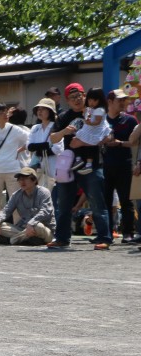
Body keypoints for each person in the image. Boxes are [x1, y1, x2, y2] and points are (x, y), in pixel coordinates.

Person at [48, 83, 112, 249]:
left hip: (92, 164)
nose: (76, 100)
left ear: (85, 96)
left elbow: (108, 135)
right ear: (67, 101)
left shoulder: (96, 112)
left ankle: (104, 238)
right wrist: (65, 132)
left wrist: (84, 142)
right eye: (72, 98)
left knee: (97, 202)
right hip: (69, 165)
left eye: (79, 96)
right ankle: (62, 238)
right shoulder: (64, 116)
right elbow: (53, 138)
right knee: (63, 204)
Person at [103, 89, 136, 242]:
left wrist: (120, 143)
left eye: (124, 100)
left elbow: (135, 142)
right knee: (105, 200)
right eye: (119, 100)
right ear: (110, 102)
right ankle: (106, 233)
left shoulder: (130, 120)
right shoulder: (101, 120)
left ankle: (128, 232)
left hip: (124, 164)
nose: (123, 103)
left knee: (126, 200)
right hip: (104, 165)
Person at [0, 167, 55, 245]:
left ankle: (12, 240)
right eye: (20, 179)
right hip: (24, 229)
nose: (22, 181)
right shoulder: (16, 195)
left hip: (43, 229)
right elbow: (6, 211)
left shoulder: (44, 192)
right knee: (0, 226)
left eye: (25, 179)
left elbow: (45, 211)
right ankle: (27, 239)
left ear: (34, 180)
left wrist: (31, 223)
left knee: (38, 226)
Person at [70, 87, 111, 175]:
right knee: (76, 140)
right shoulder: (91, 109)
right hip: (90, 130)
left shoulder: (100, 110)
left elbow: (97, 122)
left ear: (100, 100)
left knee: (84, 143)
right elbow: (88, 116)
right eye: (89, 100)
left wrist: (90, 123)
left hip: (94, 131)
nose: (91, 103)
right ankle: (80, 160)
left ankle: (87, 163)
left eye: (94, 100)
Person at [26, 98, 62, 190]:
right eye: (38, 109)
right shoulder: (35, 128)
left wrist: (38, 150)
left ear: (50, 111)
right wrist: (47, 145)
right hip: (37, 168)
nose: (40, 111)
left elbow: (57, 149)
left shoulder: (56, 127)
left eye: (43, 109)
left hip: (53, 168)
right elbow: (29, 146)